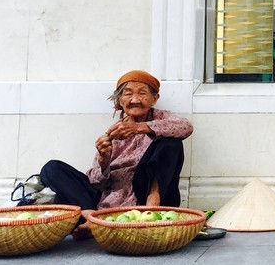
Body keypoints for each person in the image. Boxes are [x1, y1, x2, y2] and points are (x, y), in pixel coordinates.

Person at [38, 70, 193, 240]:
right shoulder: (114, 132)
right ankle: (93, 218)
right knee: (51, 169)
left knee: (171, 142)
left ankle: (146, 210)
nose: (135, 100)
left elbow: (185, 127)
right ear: (120, 100)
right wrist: (103, 161)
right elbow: (97, 182)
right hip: (106, 202)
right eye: (128, 94)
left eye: (142, 93)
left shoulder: (162, 118)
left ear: (154, 98)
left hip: (146, 194)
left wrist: (140, 128)